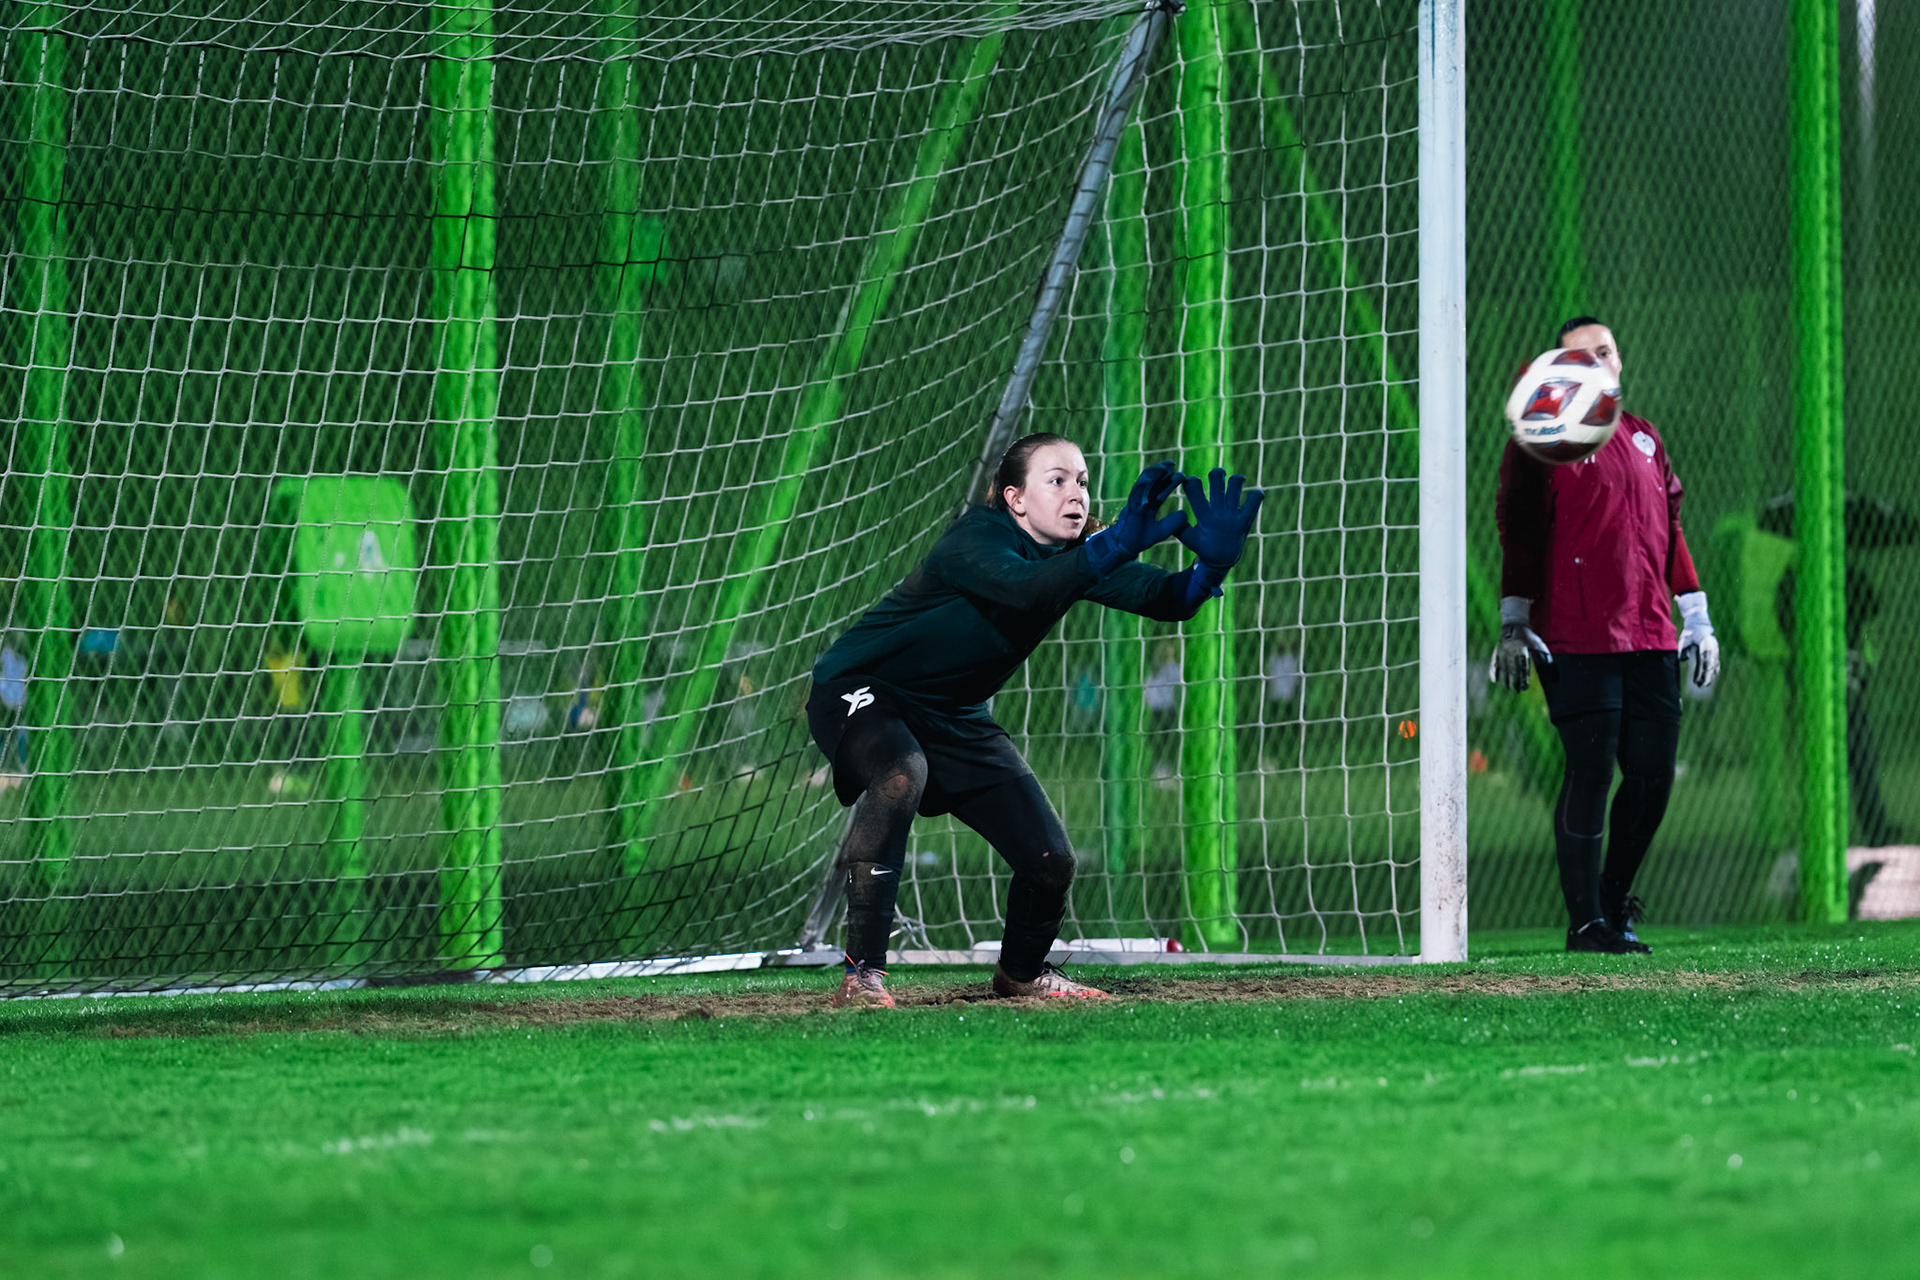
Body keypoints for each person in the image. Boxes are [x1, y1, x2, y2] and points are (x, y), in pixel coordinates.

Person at [807, 433, 1262, 1007]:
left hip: (956, 715)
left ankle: (1021, 973)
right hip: (863, 689)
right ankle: (861, 974)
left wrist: (1211, 566)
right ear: (1015, 499)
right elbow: (1026, 591)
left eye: (1083, 481)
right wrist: (1116, 541)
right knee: (900, 771)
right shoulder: (975, 537)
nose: (1076, 493)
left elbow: (1166, 599)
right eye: (1058, 480)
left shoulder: (1079, 551)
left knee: (1050, 862)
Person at [1491, 317, 1720, 955]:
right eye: (1582, 356)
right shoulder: (1543, 438)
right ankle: (1586, 921)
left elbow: (1672, 530)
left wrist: (1696, 617)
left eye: (1606, 351)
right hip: (1577, 635)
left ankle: (1614, 903)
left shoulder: (1647, 438)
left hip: (1650, 632)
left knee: (1652, 776)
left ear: (1619, 364)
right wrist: (1515, 622)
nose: (1598, 361)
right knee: (1591, 771)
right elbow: (1521, 528)